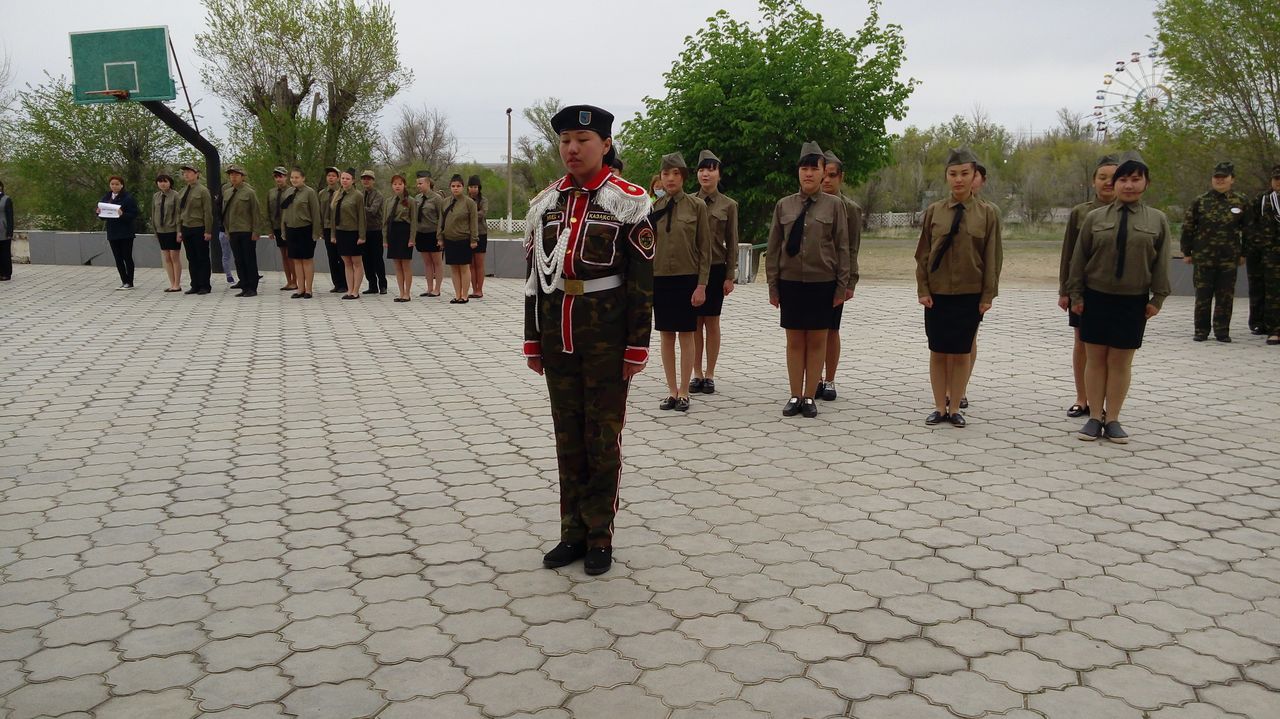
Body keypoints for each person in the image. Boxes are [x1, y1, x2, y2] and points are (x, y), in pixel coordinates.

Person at [525, 104, 654, 576]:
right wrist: (532, 339)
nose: (572, 149)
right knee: (567, 439)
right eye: (565, 142)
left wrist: (637, 344)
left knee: (602, 440)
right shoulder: (546, 203)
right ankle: (571, 533)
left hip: (606, 339)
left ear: (604, 145)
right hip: (559, 337)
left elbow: (642, 281)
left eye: (582, 141)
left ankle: (600, 534)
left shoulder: (629, 201)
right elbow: (534, 278)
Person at [1067, 151, 1171, 443]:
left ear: (1146, 183)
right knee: (1096, 360)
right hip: (1095, 297)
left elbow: (1161, 262)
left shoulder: (1157, 220)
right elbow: (1079, 259)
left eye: (1135, 180)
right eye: (1123, 180)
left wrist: (1157, 298)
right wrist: (1075, 294)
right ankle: (1093, 417)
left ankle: (1112, 418)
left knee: (1121, 362)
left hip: (1133, 299)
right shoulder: (1094, 218)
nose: (1128, 185)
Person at [915, 148, 1002, 428]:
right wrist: (923, 289)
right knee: (938, 351)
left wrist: (988, 294)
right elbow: (923, 254)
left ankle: (955, 407)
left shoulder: (987, 214)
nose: (959, 180)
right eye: (953, 174)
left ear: (975, 176)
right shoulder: (934, 211)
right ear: (946, 177)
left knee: (962, 351)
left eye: (965, 174)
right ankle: (939, 406)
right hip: (938, 293)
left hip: (970, 293)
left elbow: (992, 256)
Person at [766, 142, 851, 419]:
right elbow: (774, 246)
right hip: (791, 281)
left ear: (823, 172)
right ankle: (794, 394)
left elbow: (842, 248)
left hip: (822, 282)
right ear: (798, 172)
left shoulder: (835, 206)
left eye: (814, 169)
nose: (809, 174)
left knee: (817, 341)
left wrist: (841, 286)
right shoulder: (784, 205)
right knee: (794, 342)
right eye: (804, 168)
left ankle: (810, 396)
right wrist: (773, 285)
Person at [1058, 155, 1119, 417]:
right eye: (1102, 177)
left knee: (1113, 348)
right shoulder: (1081, 212)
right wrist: (1065, 290)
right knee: (1082, 343)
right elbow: (1068, 253)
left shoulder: (1132, 212)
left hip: (1119, 291)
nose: (1108, 182)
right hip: (1083, 290)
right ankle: (1083, 398)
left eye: (1113, 178)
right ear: (1093, 181)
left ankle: (1105, 402)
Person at [650, 152, 710, 411]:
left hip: (687, 278)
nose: (670, 178)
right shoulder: (654, 208)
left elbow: (705, 249)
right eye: (666, 174)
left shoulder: (697, 207)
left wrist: (702, 285)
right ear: (660, 178)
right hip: (660, 278)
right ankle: (671, 390)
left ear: (683, 177)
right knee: (666, 336)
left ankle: (685, 391)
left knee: (687, 335)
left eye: (675, 173)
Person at [1181, 161, 1249, 342]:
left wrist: (1244, 253)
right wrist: (1187, 251)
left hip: (1229, 257)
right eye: (1216, 177)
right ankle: (1201, 330)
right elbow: (1188, 227)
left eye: (1224, 177)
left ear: (1232, 179)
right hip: (1204, 257)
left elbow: (1248, 229)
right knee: (1203, 295)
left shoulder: (1240, 201)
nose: (1220, 181)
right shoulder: (1200, 201)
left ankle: (1222, 330)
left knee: (1225, 296)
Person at [814, 149, 863, 402]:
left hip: (836, 278)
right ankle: (814, 379)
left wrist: (849, 282)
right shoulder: (810, 204)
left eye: (832, 175)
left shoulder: (850, 209)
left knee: (831, 330)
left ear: (841, 177)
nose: (827, 181)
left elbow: (852, 248)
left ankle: (829, 379)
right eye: (824, 175)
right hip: (812, 278)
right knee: (813, 332)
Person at [690, 150, 738, 396]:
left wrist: (730, 276)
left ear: (719, 174)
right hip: (692, 269)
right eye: (701, 169)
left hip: (717, 269)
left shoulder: (728, 205)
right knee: (694, 323)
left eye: (710, 169)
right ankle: (695, 372)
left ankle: (710, 374)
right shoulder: (688, 202)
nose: (705, 174)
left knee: (712, 322)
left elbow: (732, 241)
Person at [221, 164, 263, 297]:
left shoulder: (249, 192)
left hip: (246, 230)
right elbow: (225, 213)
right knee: (238, 259)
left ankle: (252, 287)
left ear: (242, 177)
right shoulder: (227, 192)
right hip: (233, 230)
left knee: (249, 259)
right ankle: (244, 285)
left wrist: (256, 231)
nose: (233, 177)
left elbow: (256, 212)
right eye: (231, 175)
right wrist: (226, 229)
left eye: (236, 175)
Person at [281, 167, 322, 299]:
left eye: (297, 177)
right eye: (292, 177)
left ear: (303, 178)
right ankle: (300, 289)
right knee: (296, 260)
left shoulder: (309, 192)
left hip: (306, 230)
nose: (294, 180)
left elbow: (315, 214)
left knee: (306, 260)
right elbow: (284, 213)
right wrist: (284, 230)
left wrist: (316, 233)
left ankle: (308, 290)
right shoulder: (288, 192)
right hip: (291, 229)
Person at [439, 173, 479, 303]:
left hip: (463, 239)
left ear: (463, 187)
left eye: (458, 186)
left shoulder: (469, 203)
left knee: (464, 267)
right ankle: (457, 294)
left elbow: (473, 222)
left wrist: (474, 239)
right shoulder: (445, 202)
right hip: (449, 239)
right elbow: (441, 221)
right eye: (453, 186)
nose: (455, 188)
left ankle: (465, 295)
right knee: (454, 268)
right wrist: (440, 237)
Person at [95, 176, 140, 289]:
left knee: (127, 256)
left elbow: (134, 214)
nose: (114, 186)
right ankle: (123, 280)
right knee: (118, 258)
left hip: (125, 232)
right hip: (112, 232)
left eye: (117, 184)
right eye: (112, 184)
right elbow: (103, 214)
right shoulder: (107, 197)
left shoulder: (128, 198)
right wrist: (99, 212)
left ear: (122, 185)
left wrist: (122, 214)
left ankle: (130, 281)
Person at [329, 168, 367, 300]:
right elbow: (333, 216)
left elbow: (362, 217)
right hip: (341, 232)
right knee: (346, 262)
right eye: (343, 178)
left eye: (347, 178)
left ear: (353, 180)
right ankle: (349, 289)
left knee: (356, 262)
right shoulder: (337, 194)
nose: (344, 181)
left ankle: (356, 290)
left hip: (353, 232)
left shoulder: (357, 196)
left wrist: (362, 236)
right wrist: (333, 234)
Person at [177, 164, 214, 295]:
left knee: (202, 257)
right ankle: (195, 284)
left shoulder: (203, 191)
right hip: (186, 227)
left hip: (199, 227)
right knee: (191, 258)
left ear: (197, 174)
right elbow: (179, 212)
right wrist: (179, 230)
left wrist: (208, 230)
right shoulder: (182, 191)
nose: (186, 174)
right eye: (184, 172)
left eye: (189, 172)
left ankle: (205, 285)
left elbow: (207, 212)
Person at [385, 174, 418, 302]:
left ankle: (407, 293)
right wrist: (385, 238)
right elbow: (385, 221)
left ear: (404, 185)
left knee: (405, 265)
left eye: (400, 184)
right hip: (393, 232)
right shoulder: (389, 201)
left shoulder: (411, 201)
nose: (397, 186)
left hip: (405, 232)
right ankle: (401, 292)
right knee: (397, 265)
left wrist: (412, 238)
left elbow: (414, 221)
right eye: (395, 184)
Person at [1258, 165, 1280, 345]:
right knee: (1273, 292)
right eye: (1276, 179)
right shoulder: (1268, 200)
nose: (1278, 183)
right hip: (1273, 254)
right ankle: (1275, 330)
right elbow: (1263, 229)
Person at [414, 172, 445, 297]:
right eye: (417, 184)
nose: (418, 186)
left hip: (433, 233)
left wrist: (440, 236)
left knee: (437, 262)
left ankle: (437, 289)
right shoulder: (417, 198)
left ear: (428, 183)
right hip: (421, 233)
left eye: (420, 183)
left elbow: (441, 218)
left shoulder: (437, 198)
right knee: (427, 262)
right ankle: (429, 288)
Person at [267, 167, 297, 292]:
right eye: (276, 176)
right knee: (283, 255)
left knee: (291, 255)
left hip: (289, 226)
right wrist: (270, 229)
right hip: (277, 226)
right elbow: (269, 211)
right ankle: (289, 281)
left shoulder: (292, 191)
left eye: (281, 176)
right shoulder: (271, 192)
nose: (279, 179)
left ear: (286, 177)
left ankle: (296, 281)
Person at [318, 166, 347, 294]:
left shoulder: (342, 192)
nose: (331, 178)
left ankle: (345, 283)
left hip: (340, 228)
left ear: (338, 178)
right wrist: (320, 230)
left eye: (333, 176)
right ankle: (336, 283)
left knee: (342, 256)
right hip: (327, 228)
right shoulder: (322, 193)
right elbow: (319, 213)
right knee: (331, 257)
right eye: (329, 175)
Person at [152, 173, 183, 292]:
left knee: (174, 256)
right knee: (167, 258)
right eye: (160, 182)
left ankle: (177, 283)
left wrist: (179, 231)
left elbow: (178, 213)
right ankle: (172, 283)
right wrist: (155, 229)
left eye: (165, 181)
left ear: (170, 183)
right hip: (161, 230)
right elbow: (153, 212)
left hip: (172, 229)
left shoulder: (175, 195)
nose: (162, 184)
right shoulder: (156, 196)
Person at [360, 169, 388, 295]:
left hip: (375, 230)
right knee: (366, 259)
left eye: (368, 179)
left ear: (373, 181)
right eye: (364, 178)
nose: (366, 181)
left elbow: (373, 211)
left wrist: (358, 208)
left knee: (377, 259)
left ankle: (382, 284)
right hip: (363, 231)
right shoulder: (360, 194)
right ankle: (372, 285)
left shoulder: (378, 195)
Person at [468, 175, 489, 299]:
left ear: (479, 188)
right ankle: (473, 289)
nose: (473, 189)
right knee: (470, 264)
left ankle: (479, 290)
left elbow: (482, 214)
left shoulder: (483, 200)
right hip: (468, 234)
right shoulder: (465, 199)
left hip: (481, 233)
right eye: (471, 187)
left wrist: (470, 214)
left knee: (479, 263)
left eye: (475, 187)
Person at [0, 180, 11, 281]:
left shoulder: (6, 199)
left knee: (5, 253)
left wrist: (10, 231)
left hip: (3, 229)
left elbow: (10, 217)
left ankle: (6, 273)